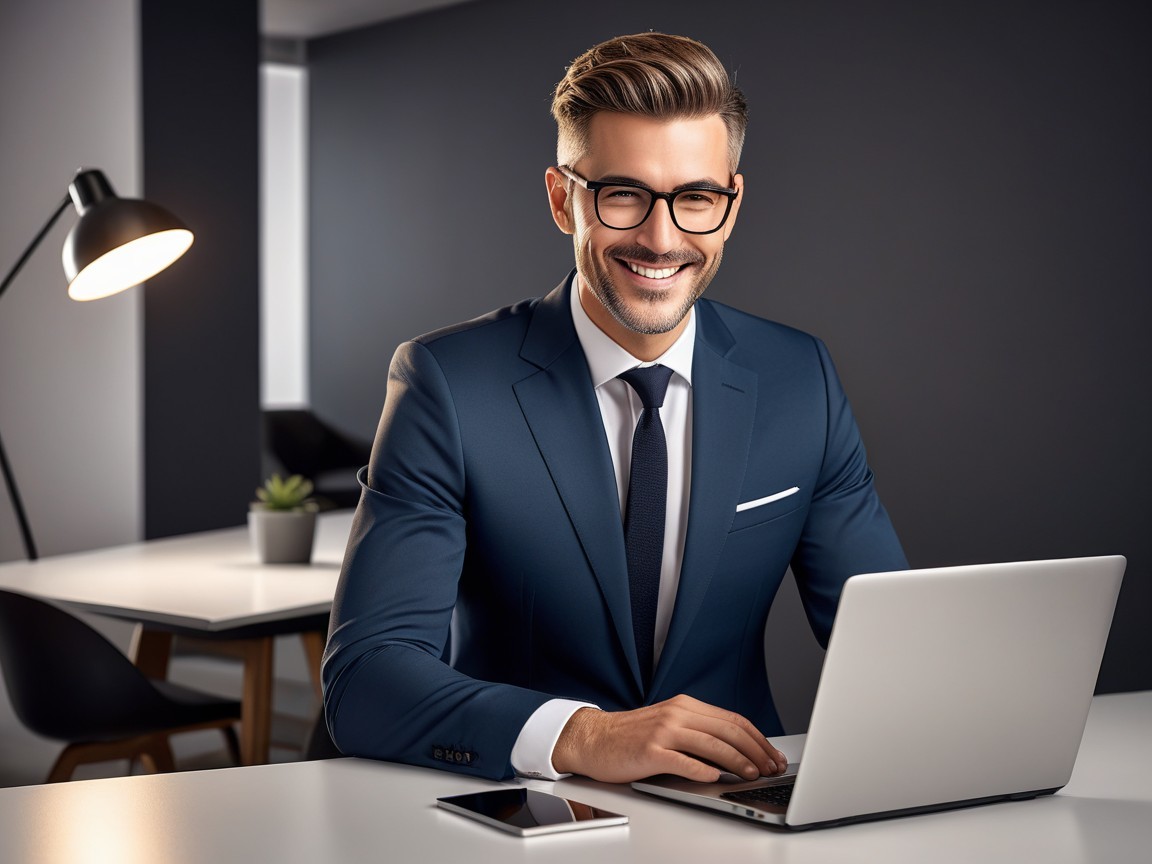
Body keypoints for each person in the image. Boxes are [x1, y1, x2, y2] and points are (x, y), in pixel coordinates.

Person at [322, 32, 907, 785]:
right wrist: (586, 736)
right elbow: (366, 679)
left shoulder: (801, 378)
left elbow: (889, 641)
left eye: (695, 198)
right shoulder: (446, 384)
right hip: (523, 815)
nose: (661, 240)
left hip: (742, 810)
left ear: (730, 205)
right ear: (564, 199)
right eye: (624, 194)